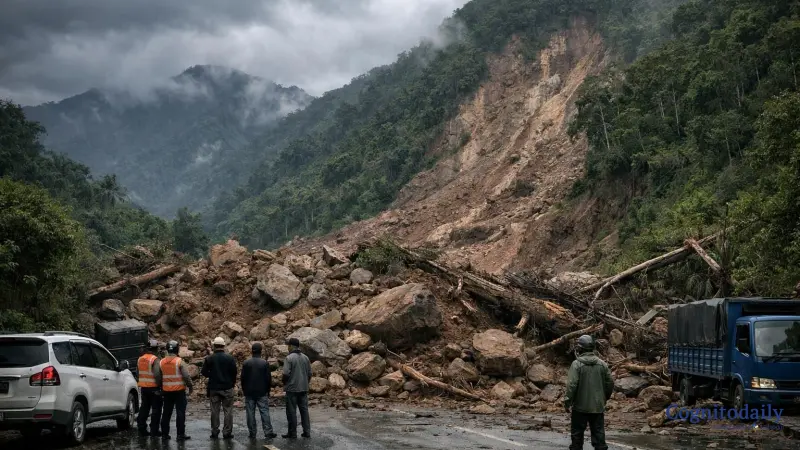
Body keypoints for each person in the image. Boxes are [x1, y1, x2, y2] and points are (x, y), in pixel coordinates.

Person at [563, 334, 614, 450]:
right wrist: (604, 397)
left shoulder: (576, 364)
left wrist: (567, 401)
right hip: (597, 406)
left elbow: (572, 385)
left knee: (577, 437)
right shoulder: (602, 364)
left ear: (580, 348)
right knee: (599, 437)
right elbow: (610, 383)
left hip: (579, 407)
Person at [202, 336, 238, 439]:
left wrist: (212, 375)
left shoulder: (209, 358)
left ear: (214, 346)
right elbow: (234, 373)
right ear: (223, 346)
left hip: (214, 388)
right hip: (227, 388)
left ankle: (214, 432)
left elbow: (204, 372)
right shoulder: (230, 358)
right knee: (228, 411)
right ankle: (227, 432)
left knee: (214, 411)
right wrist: (232, 383)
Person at [158, 340, 193, 442]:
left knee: (166, 413)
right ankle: (180, 435)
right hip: (179, 392)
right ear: (177, 349)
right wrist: (190, 386)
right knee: (180, 413)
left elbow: (159, 377)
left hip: (166, 392)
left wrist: (161, 387)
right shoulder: (179, 361)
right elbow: (186, 376)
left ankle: (165, 434)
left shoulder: (161, 362)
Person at [242, 342, 277, 440]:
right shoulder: (264, 363)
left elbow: (243, 378)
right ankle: (268, 432)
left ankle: (252, 433)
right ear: (260, 351)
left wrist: (244, 390)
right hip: (262, 392)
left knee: (250, 413)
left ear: (252, 351)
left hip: (249, 392)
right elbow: (268, 379)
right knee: (264, 412)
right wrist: (268, 390)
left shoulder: (246, 363)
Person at [282, 337, 312, 439]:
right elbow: (309, 373)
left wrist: (284, 383)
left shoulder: (289, 358)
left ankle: (292, 433)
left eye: (288, 346)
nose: (287, 348)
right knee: (304, 411)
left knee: (291, 411)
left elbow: (286, 373)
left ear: (291, 346)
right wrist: (305, 383)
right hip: (303, 388)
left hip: (292, 389)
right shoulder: (306, 358)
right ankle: (307, 432)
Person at [136, 340, 163, 437]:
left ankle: (142, 428)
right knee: (156, 410)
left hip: (144, 388)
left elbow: (138, 374)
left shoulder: (140, 359)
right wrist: (160, 385)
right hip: (154, 388)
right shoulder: (154, 359)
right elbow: (157, 374)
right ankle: (154, 430)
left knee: (144, 408)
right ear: (156, 348)